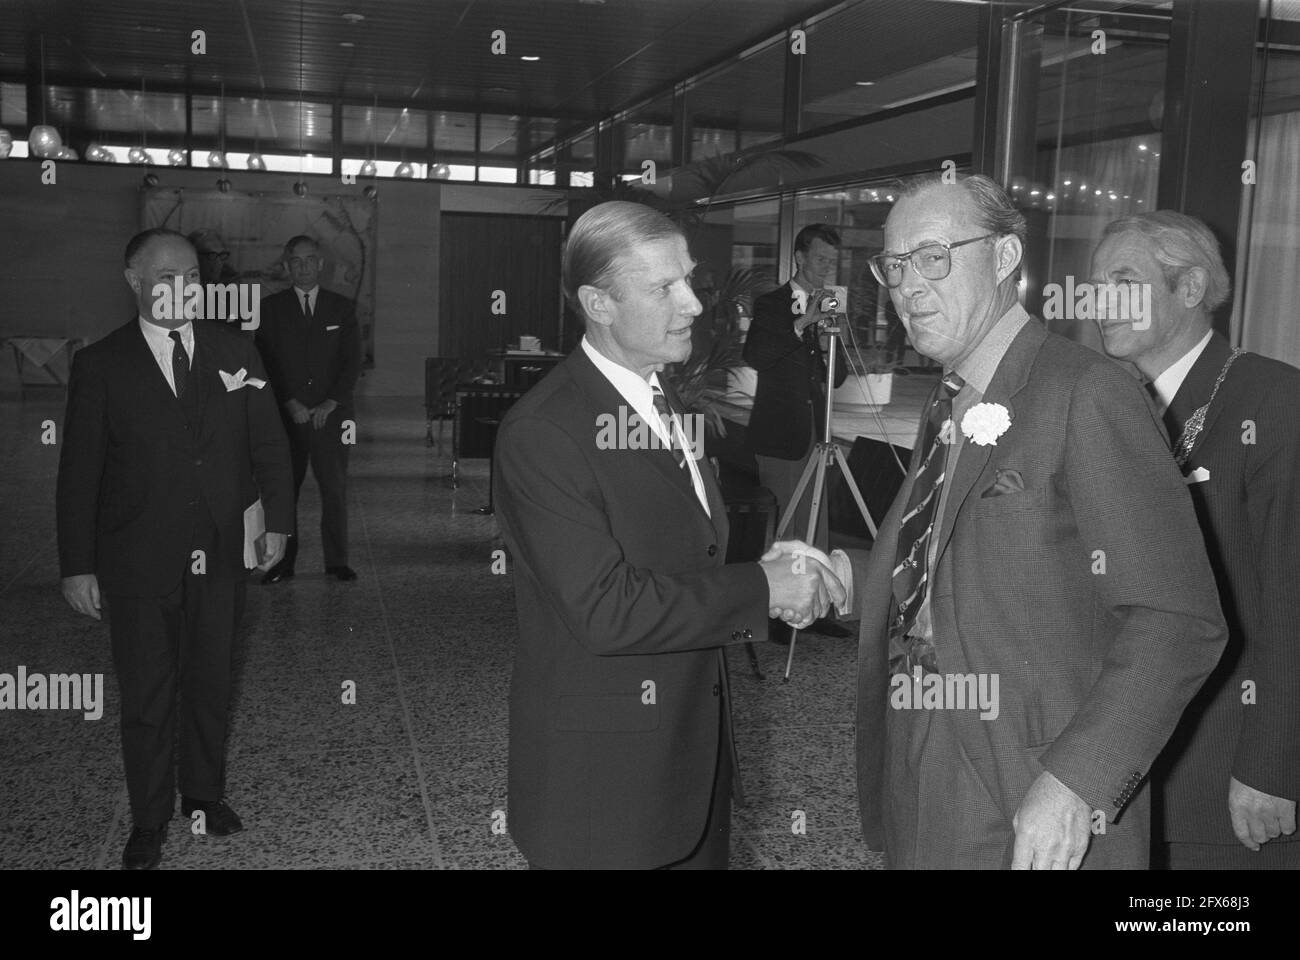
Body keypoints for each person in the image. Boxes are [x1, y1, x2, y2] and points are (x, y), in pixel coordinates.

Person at [854, 174, 1227, 869]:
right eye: (895, 264)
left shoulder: (1086, 390)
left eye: (933, 255)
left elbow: (1177, 618)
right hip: (925, 743)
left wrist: (1074, 781)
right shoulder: (952, 397)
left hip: (1032, 782)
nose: (907, 284)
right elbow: (946, 566)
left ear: (1003, 259)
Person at [493, 201, 845, 870]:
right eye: (664, 287)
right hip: (606, 787)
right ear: (598, 303)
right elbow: (605, 610)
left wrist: (764, 568)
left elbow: (684, 550)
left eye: (690, 280)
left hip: (686, 758)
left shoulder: (661, 400)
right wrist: (759, 588)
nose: (692, 304)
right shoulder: (545, 431)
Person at [56, 228, 294, 869]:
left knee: (211, 679)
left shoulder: (235, 349)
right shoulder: (102, 364)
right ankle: (148, 816)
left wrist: (278, 521)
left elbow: (269, 443)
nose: (183, 288)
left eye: (192, 276)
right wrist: (77, 564)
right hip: (136, 556)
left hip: (218, 549)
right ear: (134, 281)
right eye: (167, 277)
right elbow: (79, 474)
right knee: (148, 691)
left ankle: (205, 796)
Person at [1091, 211, 1300, 869]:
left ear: (1189, 289)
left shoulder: (1273, 401)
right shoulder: (1104, 400)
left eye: (1121, 282)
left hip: (1223, 776)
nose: (1099, 305)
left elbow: (1292, 599)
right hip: (1116, 761)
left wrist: (1274, 766)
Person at [743, 224, 850, 643]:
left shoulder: (832, 307)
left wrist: (828, 343)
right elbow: (756, 355)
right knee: (788, 523)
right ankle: (777, 610)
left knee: (815, 521)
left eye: (832, 261)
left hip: (816, 430)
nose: (827, 267)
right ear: (800, 257)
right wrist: (805, 322)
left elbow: (837, 377)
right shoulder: (771, 304)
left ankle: (817, 606)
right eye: (821, 259)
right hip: (780, 431)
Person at [255, 236, 362, 583]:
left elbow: (352, 361)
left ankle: (336, 561)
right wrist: (290, 402)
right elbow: (265, 362)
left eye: (309, 260)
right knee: (285, 492)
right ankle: (283, 562)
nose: (303, 267)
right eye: (295, 261)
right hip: (288, 418)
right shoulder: (270, 309)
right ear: (286, 266)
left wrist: (332, 403)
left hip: (332, 417)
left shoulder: (341, 308)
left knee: (334, 490)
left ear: (320, 264)